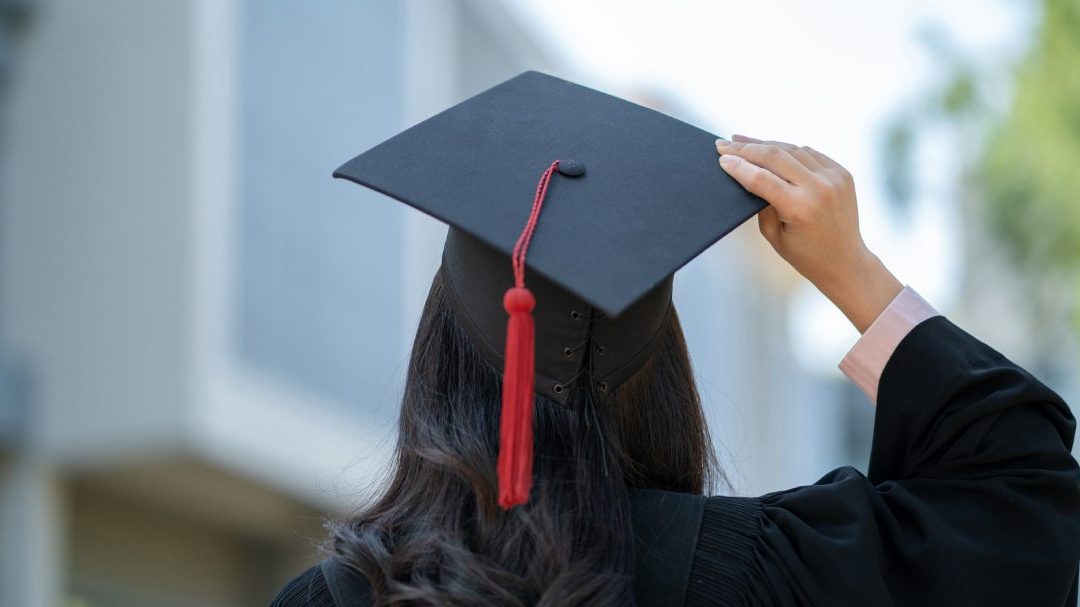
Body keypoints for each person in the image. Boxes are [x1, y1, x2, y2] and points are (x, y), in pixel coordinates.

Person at [271, 73, 1080, 606]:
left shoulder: (333, 598)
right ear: (663, 373)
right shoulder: (772, 573)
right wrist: (856, 273)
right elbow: (1022, 503)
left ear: (442, 356)